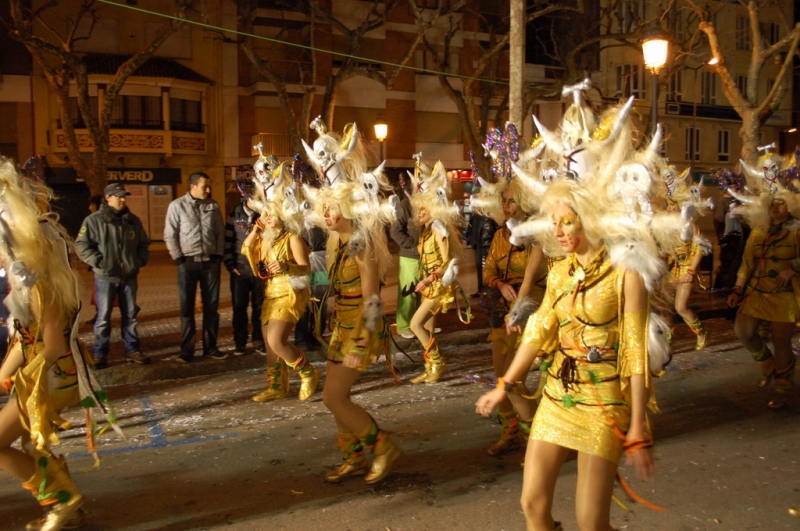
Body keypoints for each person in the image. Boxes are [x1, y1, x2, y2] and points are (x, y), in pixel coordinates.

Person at [476, 88, 671, 529]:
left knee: (590, 522)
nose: (560, 232)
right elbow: (540, 326)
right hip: (557, 395)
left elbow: (635, 352)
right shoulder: (561, 269)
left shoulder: (628, 271)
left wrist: (639, 423)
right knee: (532, 505)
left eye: (569, 222)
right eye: (556, 221)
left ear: (591, 217)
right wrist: (504, 385)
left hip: (604, 401)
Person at [0, 158, 118, 531]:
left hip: (52, 377)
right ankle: (69, 508)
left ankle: (62, 501)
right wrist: (5, 374)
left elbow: (49, 344)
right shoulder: (31, 281)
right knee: (34, 446)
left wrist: (16, 378)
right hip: (50, 373)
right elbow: (27, 337)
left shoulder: (41, 283)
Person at [303, 117, 402, 484]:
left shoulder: (364, 248)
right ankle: (354, 456)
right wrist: (301, 281)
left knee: (334, 397)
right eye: (324, 208)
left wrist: (363, 339)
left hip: (359, 329)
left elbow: (373, 299)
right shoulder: (335, 244)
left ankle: (382, 446)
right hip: (339, 328)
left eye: (332, 209)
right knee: (334, 396)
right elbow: (326, 284)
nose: (326, 214)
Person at [473, 175, 547, 456]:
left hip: (527, 311)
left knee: (511, 382)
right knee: (500, 377)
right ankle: (511, 432)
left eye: (512, 200)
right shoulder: (498, 235)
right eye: (504, 199)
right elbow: (489, 269)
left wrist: (517, 308)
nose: (506, 205)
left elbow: (532, 281)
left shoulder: (538, 238)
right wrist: (500, 285)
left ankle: (537, 443)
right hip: (500, 313)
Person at [241, 162, 318, 402]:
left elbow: (307, 269)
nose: (270, 218)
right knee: (270, 347)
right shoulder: (264, 240)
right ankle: (277, 387)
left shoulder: (292, 238)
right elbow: (247, 252)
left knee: (277, 340)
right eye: (266, 214)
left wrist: (286, 266)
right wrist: (255, 230)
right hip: (270, 295)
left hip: (289, 294)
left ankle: (308, 372)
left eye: (274, 214)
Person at [726, 159, 800, 409]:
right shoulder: (759, 232)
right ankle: (768, 366)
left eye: (781, 205)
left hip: (785, 295)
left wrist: (792, 269)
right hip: (758, 292)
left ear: (790, 206)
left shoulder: (797, 231)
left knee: (781, 340)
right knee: (743, 331)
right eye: (773, 206)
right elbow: (747, 264)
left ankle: (783, 385)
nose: (777, 209)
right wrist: (738, 288)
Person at [75, 183, 151, 368]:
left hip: (129, 277)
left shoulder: (132, 220)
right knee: (103, 317)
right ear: (108, 197)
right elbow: (81, 245)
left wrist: (138, 261)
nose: (123, 199)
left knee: (130, 316)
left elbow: (143, 244)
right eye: (118, 196)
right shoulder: (94, 221)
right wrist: (99, 262)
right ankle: (100, 353)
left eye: (124, 196)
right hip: (105, 277)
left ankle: (132, 350)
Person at [408, 157, 466, 384]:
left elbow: (448, 261)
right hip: (429, 285)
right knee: (427, 328)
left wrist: (428, 280)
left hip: (438, 286)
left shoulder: (439, 229)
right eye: (418, 208)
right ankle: (430, 367)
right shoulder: (425, 231)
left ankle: (438, 362)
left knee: (415, 325)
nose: (420, 212)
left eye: (424, 207)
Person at [164, 171, 226, 362]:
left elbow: (219, 233)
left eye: (209, 186)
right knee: (186, 309)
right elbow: (170, 234)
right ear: (192, 187)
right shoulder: (177, 206)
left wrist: (217, 256)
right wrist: (179, 259)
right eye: (204, 186)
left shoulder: (213, 206)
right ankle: (187, 350)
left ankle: (211, 347)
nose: (208, 190)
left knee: (211, 308)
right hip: (187, 264)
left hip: (210, 264)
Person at [223, 197, 265, 356]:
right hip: (239, 270)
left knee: (259, 307)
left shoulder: (263, 215)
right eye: (255, 197)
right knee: (239, 308)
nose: (258, 199)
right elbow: (228, 240)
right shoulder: (234, 215)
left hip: (258, 270)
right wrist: (230, 265)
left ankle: (258, 340)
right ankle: (240, 342)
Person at [389, 182, 420, 339]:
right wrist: (411, 244)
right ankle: (404, 325)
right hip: (410, 257)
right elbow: (395, 230)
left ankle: (421, 324)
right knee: (408, 293)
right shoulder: (405, 205)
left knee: (426, 293)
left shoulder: (429, 204)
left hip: (427, 257)